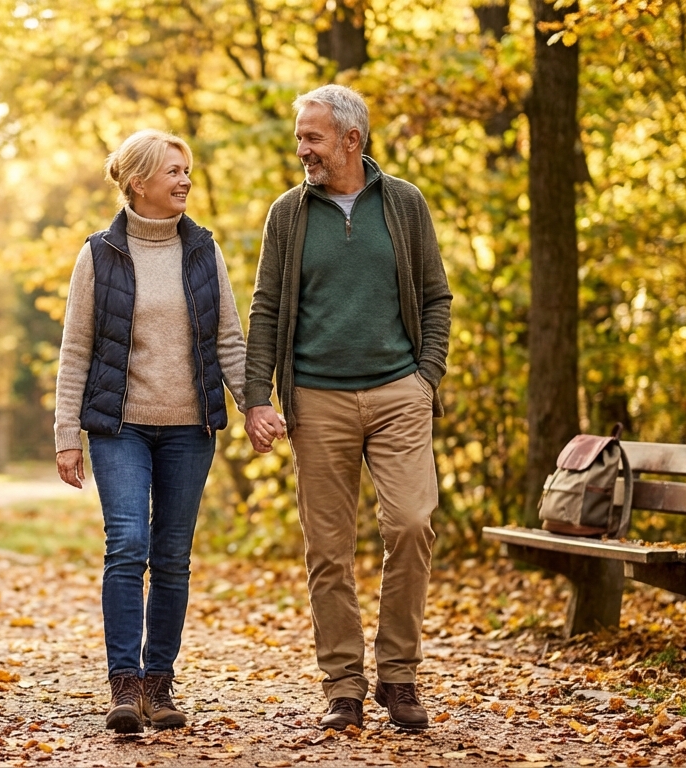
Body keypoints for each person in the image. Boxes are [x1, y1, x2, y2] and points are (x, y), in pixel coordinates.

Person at [243, 85, 452, 732]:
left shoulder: (404, 204)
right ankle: (343, 686)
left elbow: (437, 296)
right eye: (301, 136)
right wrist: (256, 396)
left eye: (312, 137)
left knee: (412, 524)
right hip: (317, 397)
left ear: (351, 141)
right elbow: (266, 308)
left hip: (398, 392)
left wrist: (426, 378)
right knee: (328, 550)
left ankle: (399, 675)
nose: (301, 147)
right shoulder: (289, 214)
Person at [54, 129, 270, 733]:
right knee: (127, 544)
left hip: (189, 428)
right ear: (137, 182)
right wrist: (65, 433)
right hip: (118, 426)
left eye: (187, 171)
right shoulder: (99, 254)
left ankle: (159, 683)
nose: (184, 181)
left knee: (172, 557)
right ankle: (123, 685)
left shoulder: (203, 251)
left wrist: (255, 404)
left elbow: (230, 339)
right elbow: (75, 351)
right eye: (172, 171)